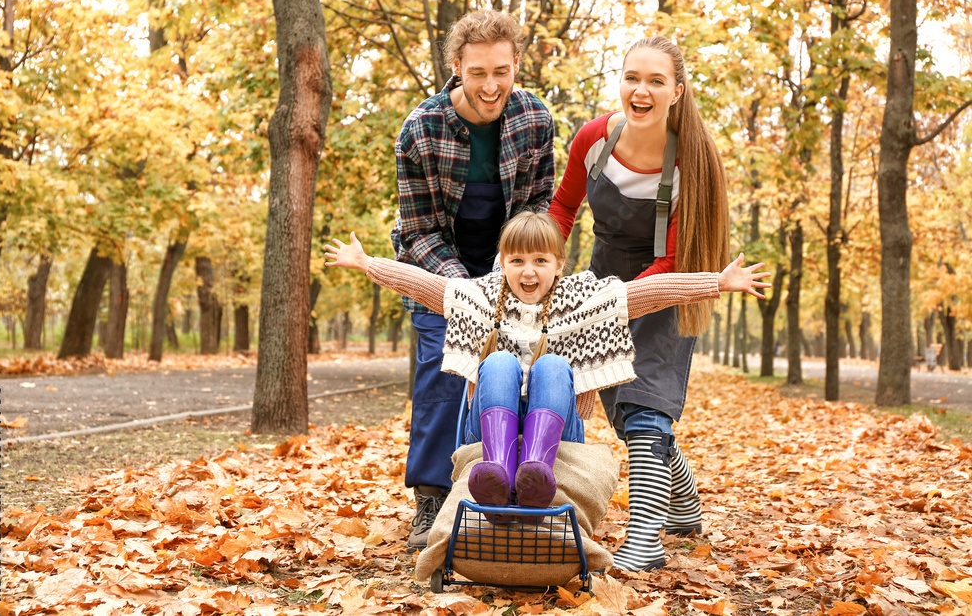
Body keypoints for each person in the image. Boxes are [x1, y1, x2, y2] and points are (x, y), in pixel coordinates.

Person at [325, 212, 770, 512]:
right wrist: (367, 263)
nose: (528, 271)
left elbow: (646, 294)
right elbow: (423, 284)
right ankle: (497, 469)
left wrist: (718, 282)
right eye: (517, 260)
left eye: (540, 260)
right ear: (503, 263)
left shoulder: (582, 301)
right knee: (497, 362)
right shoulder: (483, 297)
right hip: (487, 433)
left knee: (554, 367)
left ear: (559, 264)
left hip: (560, 434)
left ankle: (536, 469)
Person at [549, 36, 731, 572]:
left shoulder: (692, 161)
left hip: (669, 284)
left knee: (647, 405)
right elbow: (563, 209)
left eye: (656, 81)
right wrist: (539, 268)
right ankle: (684, 502)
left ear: (677, 90)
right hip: (606, 276)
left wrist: (614, 306)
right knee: (624, 414)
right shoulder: (594, 139)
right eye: (632, 77)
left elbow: (674, 260)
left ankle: (644, 539)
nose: (642, 90)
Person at [390, 9, 556, 547]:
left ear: (515, 66)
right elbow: (417, 230)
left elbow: (537, 206)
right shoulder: (421, 127)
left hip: (513, 269)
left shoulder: (535, 120)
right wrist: (464, 289)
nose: (491, 85)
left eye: (502, 71)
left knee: (518, 374)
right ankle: (432, 498)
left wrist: (513, 275)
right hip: (440, 265)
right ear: (456, 65)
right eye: (478, 71)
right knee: (442, 375)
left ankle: (509, 487)